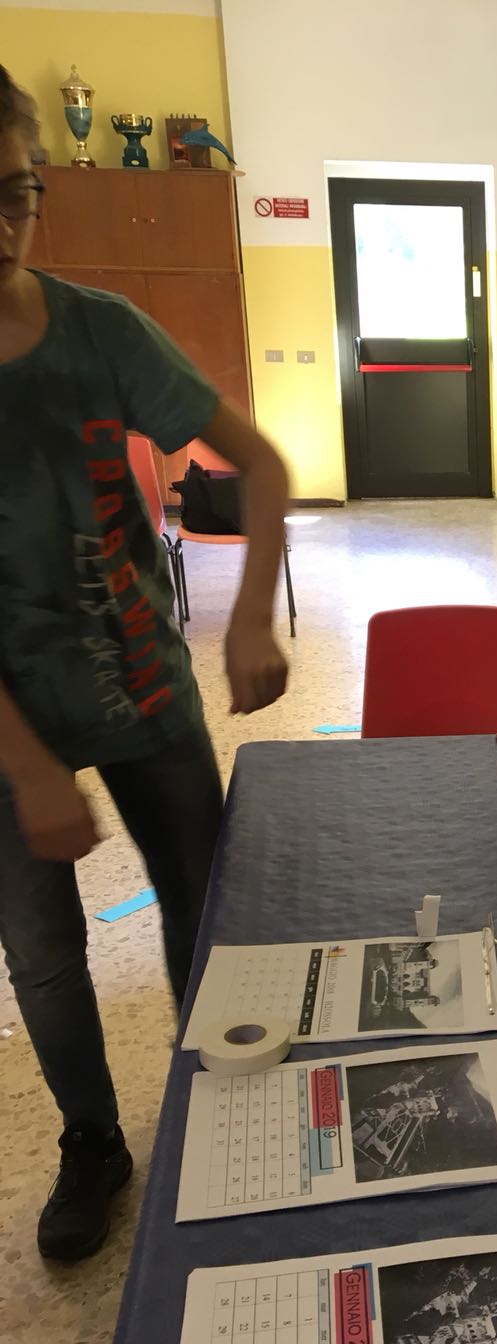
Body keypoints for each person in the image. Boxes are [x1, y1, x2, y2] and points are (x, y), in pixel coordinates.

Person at [0, 68, 290, 1260]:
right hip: (10, 720)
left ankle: (221, 1106)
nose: (2, 225)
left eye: (14, 193)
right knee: (43, 954)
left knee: (204, 907)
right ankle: (93, 1141)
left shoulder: (101, 332)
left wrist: (250, 619)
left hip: (143, 689)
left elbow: (262, 465)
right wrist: (30, 767)